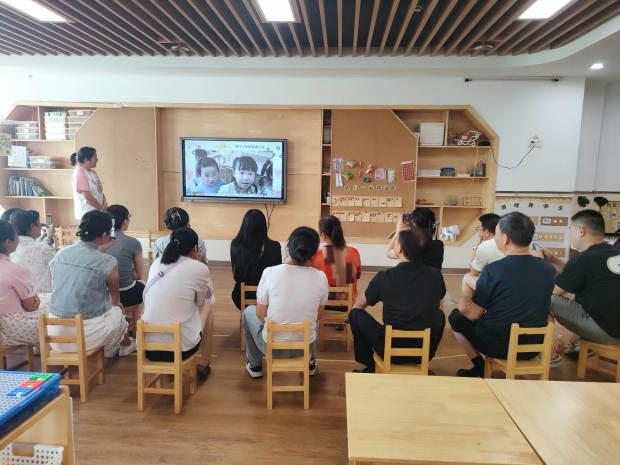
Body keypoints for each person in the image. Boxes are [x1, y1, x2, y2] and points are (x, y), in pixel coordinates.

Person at [449, 212, 555, 378]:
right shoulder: (548, 269)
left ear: (505, 239)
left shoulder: (493, 270)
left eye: (496, 234)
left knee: (455, 317)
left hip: (499, 346)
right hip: (534, 346)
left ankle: (479, 367)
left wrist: (462, 308)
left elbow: (475, 314)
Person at [349, 227, 446, 373]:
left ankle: (371, 366)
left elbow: (361, 303)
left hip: (390, 349)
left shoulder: (385, 277)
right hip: (424, 348)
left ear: (399, 248)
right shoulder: (435, 275)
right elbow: (439, 297)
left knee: (355, 314)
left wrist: (354, 308)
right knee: (439, 315)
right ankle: (422, 363)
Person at [537, 210, 620, 366]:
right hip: (615, 327)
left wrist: (538, 264)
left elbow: (553, 291)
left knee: (546, 300)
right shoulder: (613, 252)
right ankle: (576, 344)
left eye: (570, 229)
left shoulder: (584, 259)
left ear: (581, 231)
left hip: (606, 332)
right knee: (573, 294)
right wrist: (553, 259)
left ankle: (548, 356)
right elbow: (577, 274)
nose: (570, 234)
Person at [242, 227, 328, 378]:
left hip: (273, 347)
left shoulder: (270, 273)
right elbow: (319, 315)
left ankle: (255, 366)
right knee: (311, 319)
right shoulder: (321, 277)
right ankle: (310, 363)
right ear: (315, 253)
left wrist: (278, 324)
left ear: (287, 244)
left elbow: (260, 314)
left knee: (248, 312)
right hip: (305, 348)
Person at [48, 211, 136, 358]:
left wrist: (101, 250)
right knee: (117, 312)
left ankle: (112, 346)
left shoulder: (61, 253)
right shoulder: (108, 261)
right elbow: (115, 299)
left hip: (54, 334)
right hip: (85, 337)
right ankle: (120, 347)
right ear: (104, 235)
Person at [142, 227, 213, 376]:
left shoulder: (156, 263)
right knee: (207, 304)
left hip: (148, 348)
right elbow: (200, 301)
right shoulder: (199, 267)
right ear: (195, 248)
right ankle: (204, 362)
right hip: (181, 350)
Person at [0, 220, 42, 347]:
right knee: (54, 314)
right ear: (8, 242)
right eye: (16, 236)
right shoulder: (15, 270)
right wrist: (35, 299)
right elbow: (30, 305)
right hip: (9, 326)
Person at [230, 209, 282, 311]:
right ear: (264, 227)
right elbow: (276, 273)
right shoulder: (275, 246)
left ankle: (247, 316)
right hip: (268, 297)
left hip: (241, 296)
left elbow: (238, 273)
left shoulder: (236, 245)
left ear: (244, 226)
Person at [310, 215, 362, 304]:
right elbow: (358, 275)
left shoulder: (316, 255)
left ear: (323, 234)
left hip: (323, 305)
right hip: (349, 304)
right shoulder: (353, 252)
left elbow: (311, 279)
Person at [105, 205, 144, 307]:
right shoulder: (133, 242)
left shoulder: (100, 241)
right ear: (125, 221)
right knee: (143, 285)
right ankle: (136, 315)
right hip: (126, 294)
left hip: (104, 295)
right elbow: (139, 275)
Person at [9, 209, 56, 294]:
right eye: (39, 223)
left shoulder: (9, 248)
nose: (41, 227)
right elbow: (60, 271)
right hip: (43, 297)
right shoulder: (43, 248)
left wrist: (47, 238)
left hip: (18, 297)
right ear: (32, 226)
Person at [461, 213, 504, 303]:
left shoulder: (484, 246)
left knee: (467, 277)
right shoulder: (506, 241)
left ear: (487, 232)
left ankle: (469, 306)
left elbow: (473, 271)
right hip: (509, 284)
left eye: (479, 229)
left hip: (497, 288)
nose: (478, 232)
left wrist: (476, 246)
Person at [71, 146, 107, 220]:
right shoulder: (79, 173)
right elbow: (87, 196)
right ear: (87, 160)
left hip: (98, 211)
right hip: (87, 214)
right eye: (95, 157)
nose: (97, 159)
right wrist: (101, 208)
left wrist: (105, 203)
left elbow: (99, 190)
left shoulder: (92, 172)